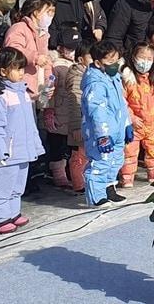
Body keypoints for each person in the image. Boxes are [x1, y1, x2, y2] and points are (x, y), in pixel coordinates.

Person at [0, 47, 45, 234]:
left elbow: (29, 124)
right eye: (17, 69)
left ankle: (12, 212)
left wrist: (35, 145)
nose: (22, 73)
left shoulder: (22, 92)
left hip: (23, 150)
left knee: (17, 185)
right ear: (3, 71)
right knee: (1, 185)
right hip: (6, 152)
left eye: (22, 69)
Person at [80, 40, 130, 206]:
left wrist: (127, 124)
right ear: (98, 63)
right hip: (102, 132)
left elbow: (122, 104)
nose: (114, 65)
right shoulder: (95, 83)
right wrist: (102, 135)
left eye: (116, 60)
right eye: (110, 62)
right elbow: (97, 112)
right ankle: (96, 197)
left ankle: (109, 188)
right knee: (101, 162)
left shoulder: (114, 78)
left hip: (117, 129)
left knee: (116, 160)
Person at [120, 41, 154, 187]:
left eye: (149, 59)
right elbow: (122, 101)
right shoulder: (127, 79)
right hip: (134, 123)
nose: (145, 62)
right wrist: (131, 117)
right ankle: (127, 177)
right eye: (141, 57)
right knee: (129, 150)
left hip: (152, 121)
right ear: (133, 57)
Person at [53, 29, 92, 196]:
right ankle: (78, 183)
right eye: (91, 57)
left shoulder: (93, 74)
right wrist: (76, 126)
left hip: (90, 122)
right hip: (80, 122)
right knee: (79, 156)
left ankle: (88, 181)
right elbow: (75, 100)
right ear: (82, 59)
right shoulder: (77, 74)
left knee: (89, 154)